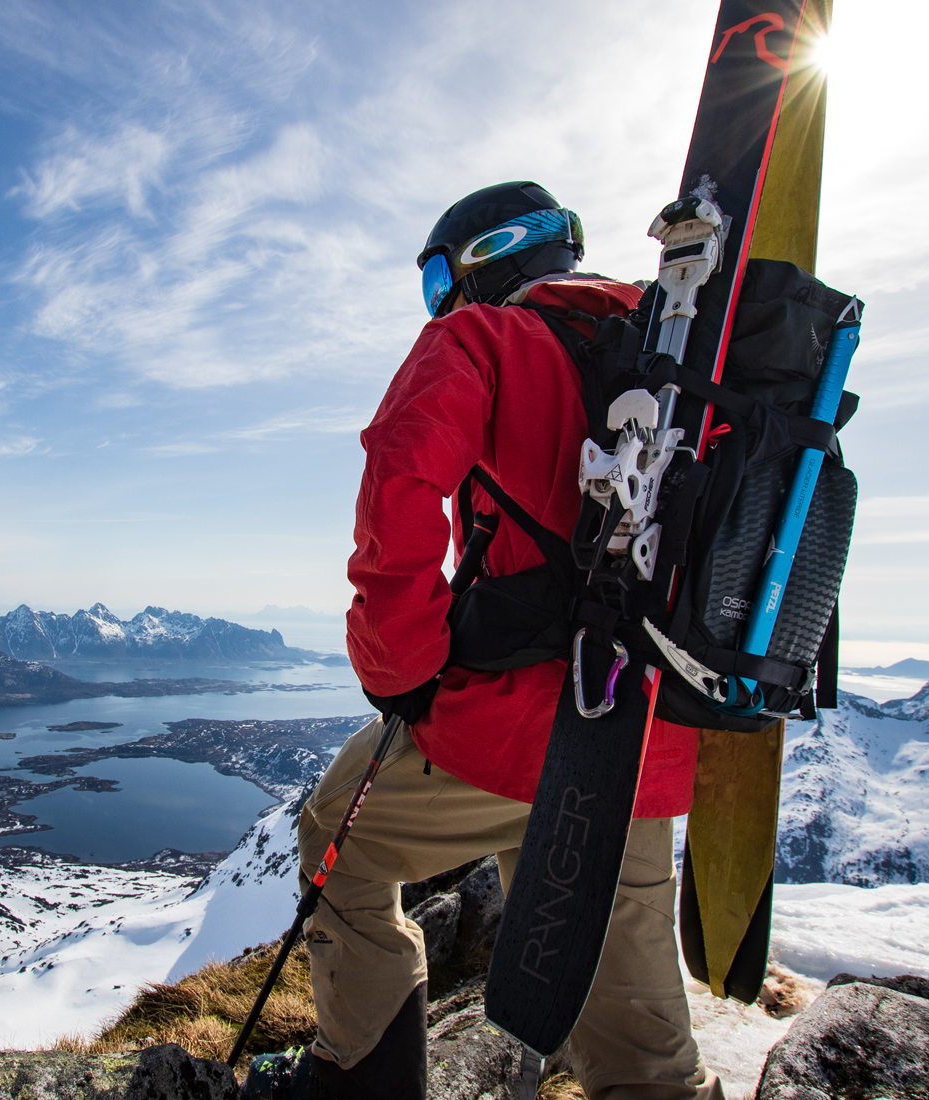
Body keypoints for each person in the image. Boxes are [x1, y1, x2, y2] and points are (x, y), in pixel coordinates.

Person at [257, 182, 723, 1100]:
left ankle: (362, 1081)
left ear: (485, 259)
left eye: (439, 279)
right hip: (645, 734)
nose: (439, 302)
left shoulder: (481, 338)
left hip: (513, 728)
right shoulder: (685, 354)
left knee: (336, 840)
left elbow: (401, 486)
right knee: (631, 1019)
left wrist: (399, 670)